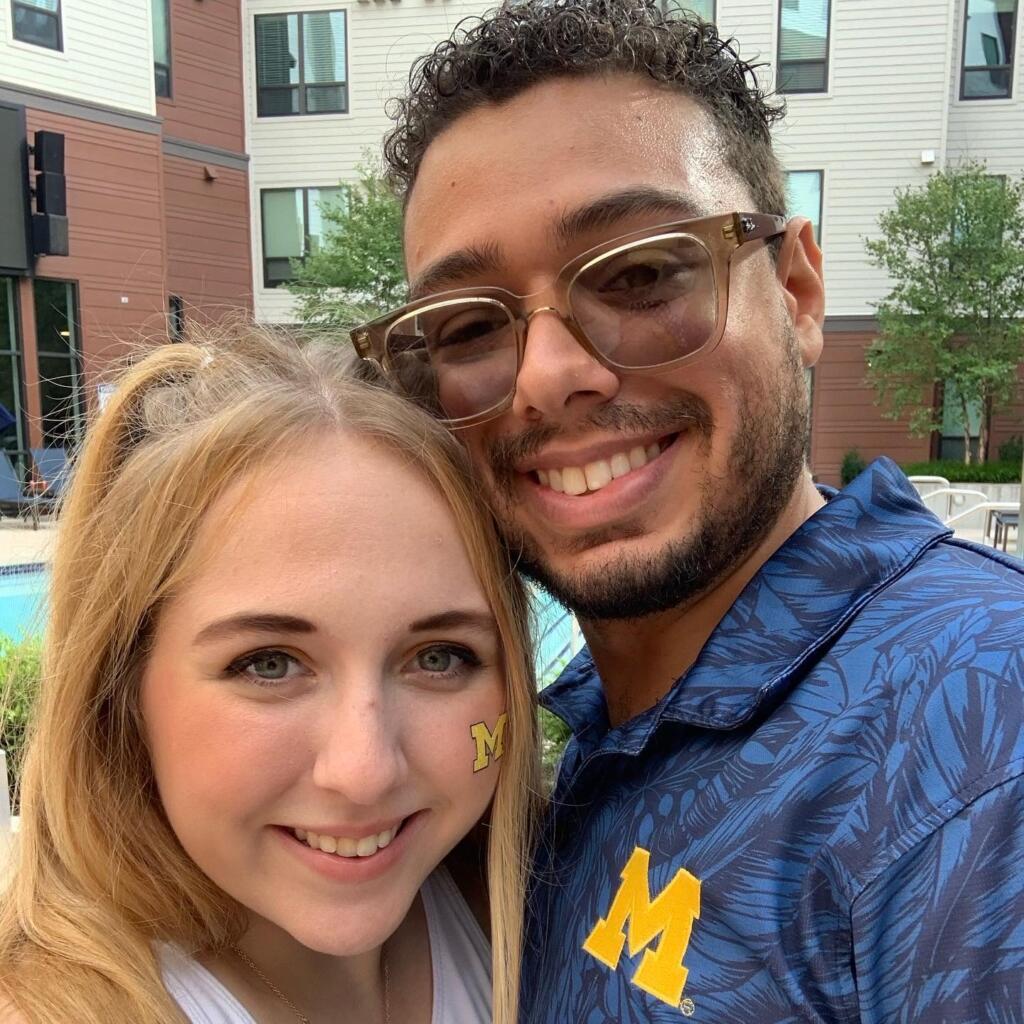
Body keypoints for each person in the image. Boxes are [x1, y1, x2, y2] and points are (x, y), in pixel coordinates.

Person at [352, 1, 1024, 1019]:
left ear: (796, 291)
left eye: (638, 271)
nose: (547, 377)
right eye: (465, 326)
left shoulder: (975, 739)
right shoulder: (584, 738)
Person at [0, 328, 539, 1024]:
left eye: (440, 656)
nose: (365, 772)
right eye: (269, 664)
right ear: (121, 694)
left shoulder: (537, 919)